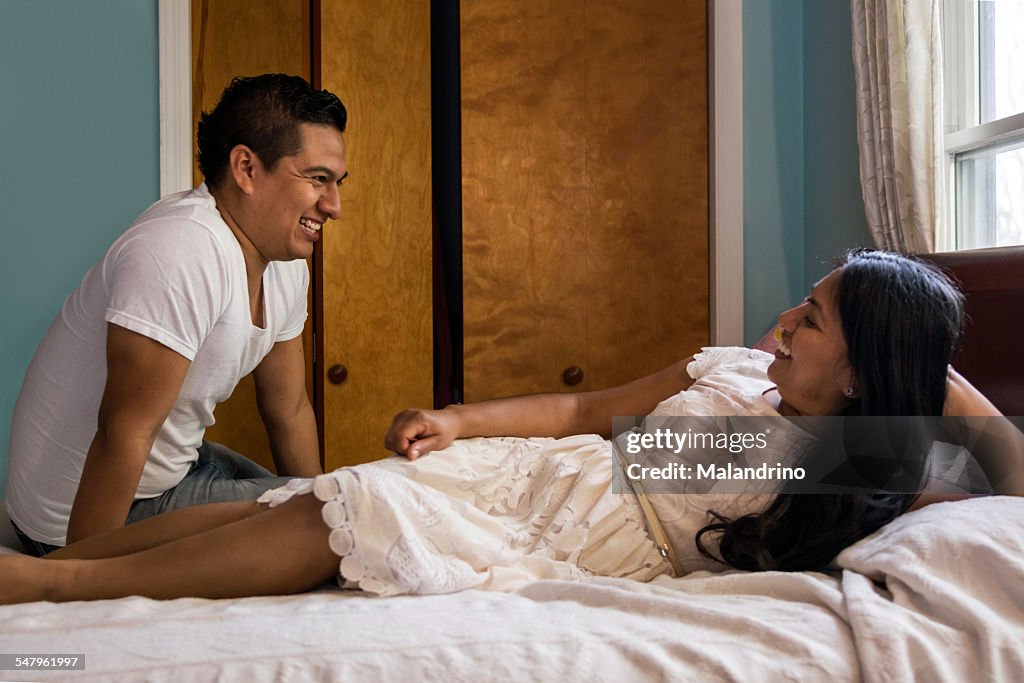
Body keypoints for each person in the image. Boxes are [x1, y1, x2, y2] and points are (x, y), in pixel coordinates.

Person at [1, 250, 1018, 604]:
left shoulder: (853, 460)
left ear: (864, 371)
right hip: (538, 468)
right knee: (302, 494)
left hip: (571, 529)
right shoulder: (737, 369)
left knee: (341, 513)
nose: (783, 322)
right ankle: (70, 568)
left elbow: (1008, 468)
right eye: (800, 303)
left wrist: (924, 370)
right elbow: (588, 408)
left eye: (813, 319)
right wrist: (457, 417)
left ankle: (48, 581)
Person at [5, 74, 348, 555]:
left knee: (344, 509)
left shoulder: (284, 262)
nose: (333, 206)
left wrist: (327, 512)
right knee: (335, 524)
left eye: (336, 183)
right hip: (75, 515)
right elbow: (123, 432)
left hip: (171, 469)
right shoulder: (181, 249)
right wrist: (74, 582)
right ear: (246, 168)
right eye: (317, 179)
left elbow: (288, 410)